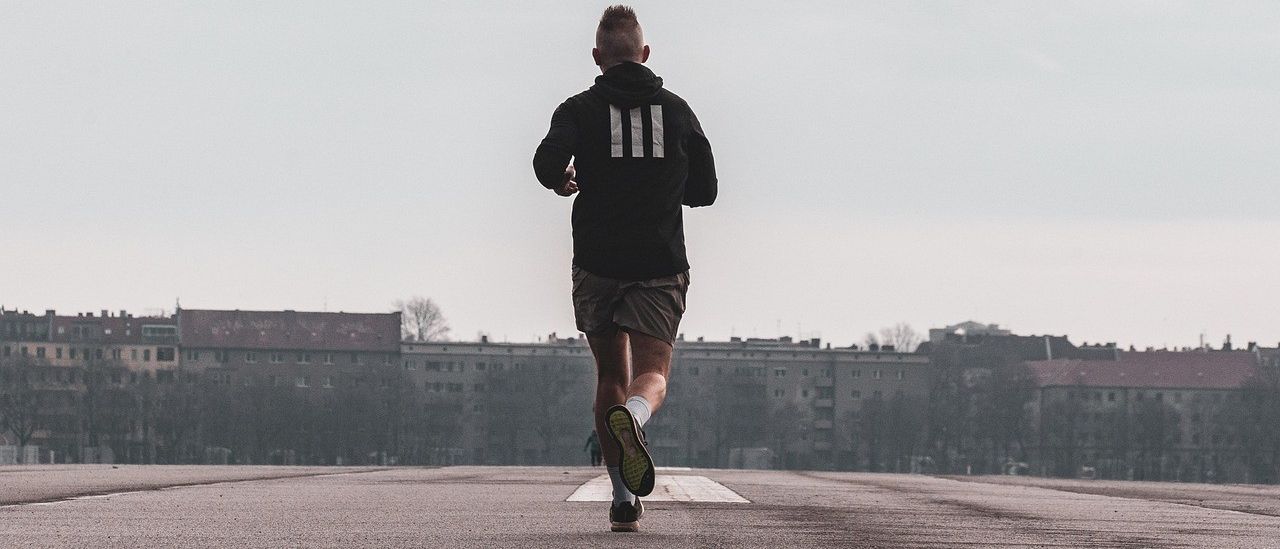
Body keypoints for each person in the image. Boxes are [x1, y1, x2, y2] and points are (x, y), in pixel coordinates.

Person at [533, 4, 717, 533]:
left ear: (597, 57)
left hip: (596, 261)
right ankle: (636, 418)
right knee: (652, 373)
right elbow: (705, 192)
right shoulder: (678, 112)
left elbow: (547, 162)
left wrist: (563, 178)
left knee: (610, 374)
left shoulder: (578, 109)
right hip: (658, 262)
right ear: (646, 53)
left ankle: (621, 500)